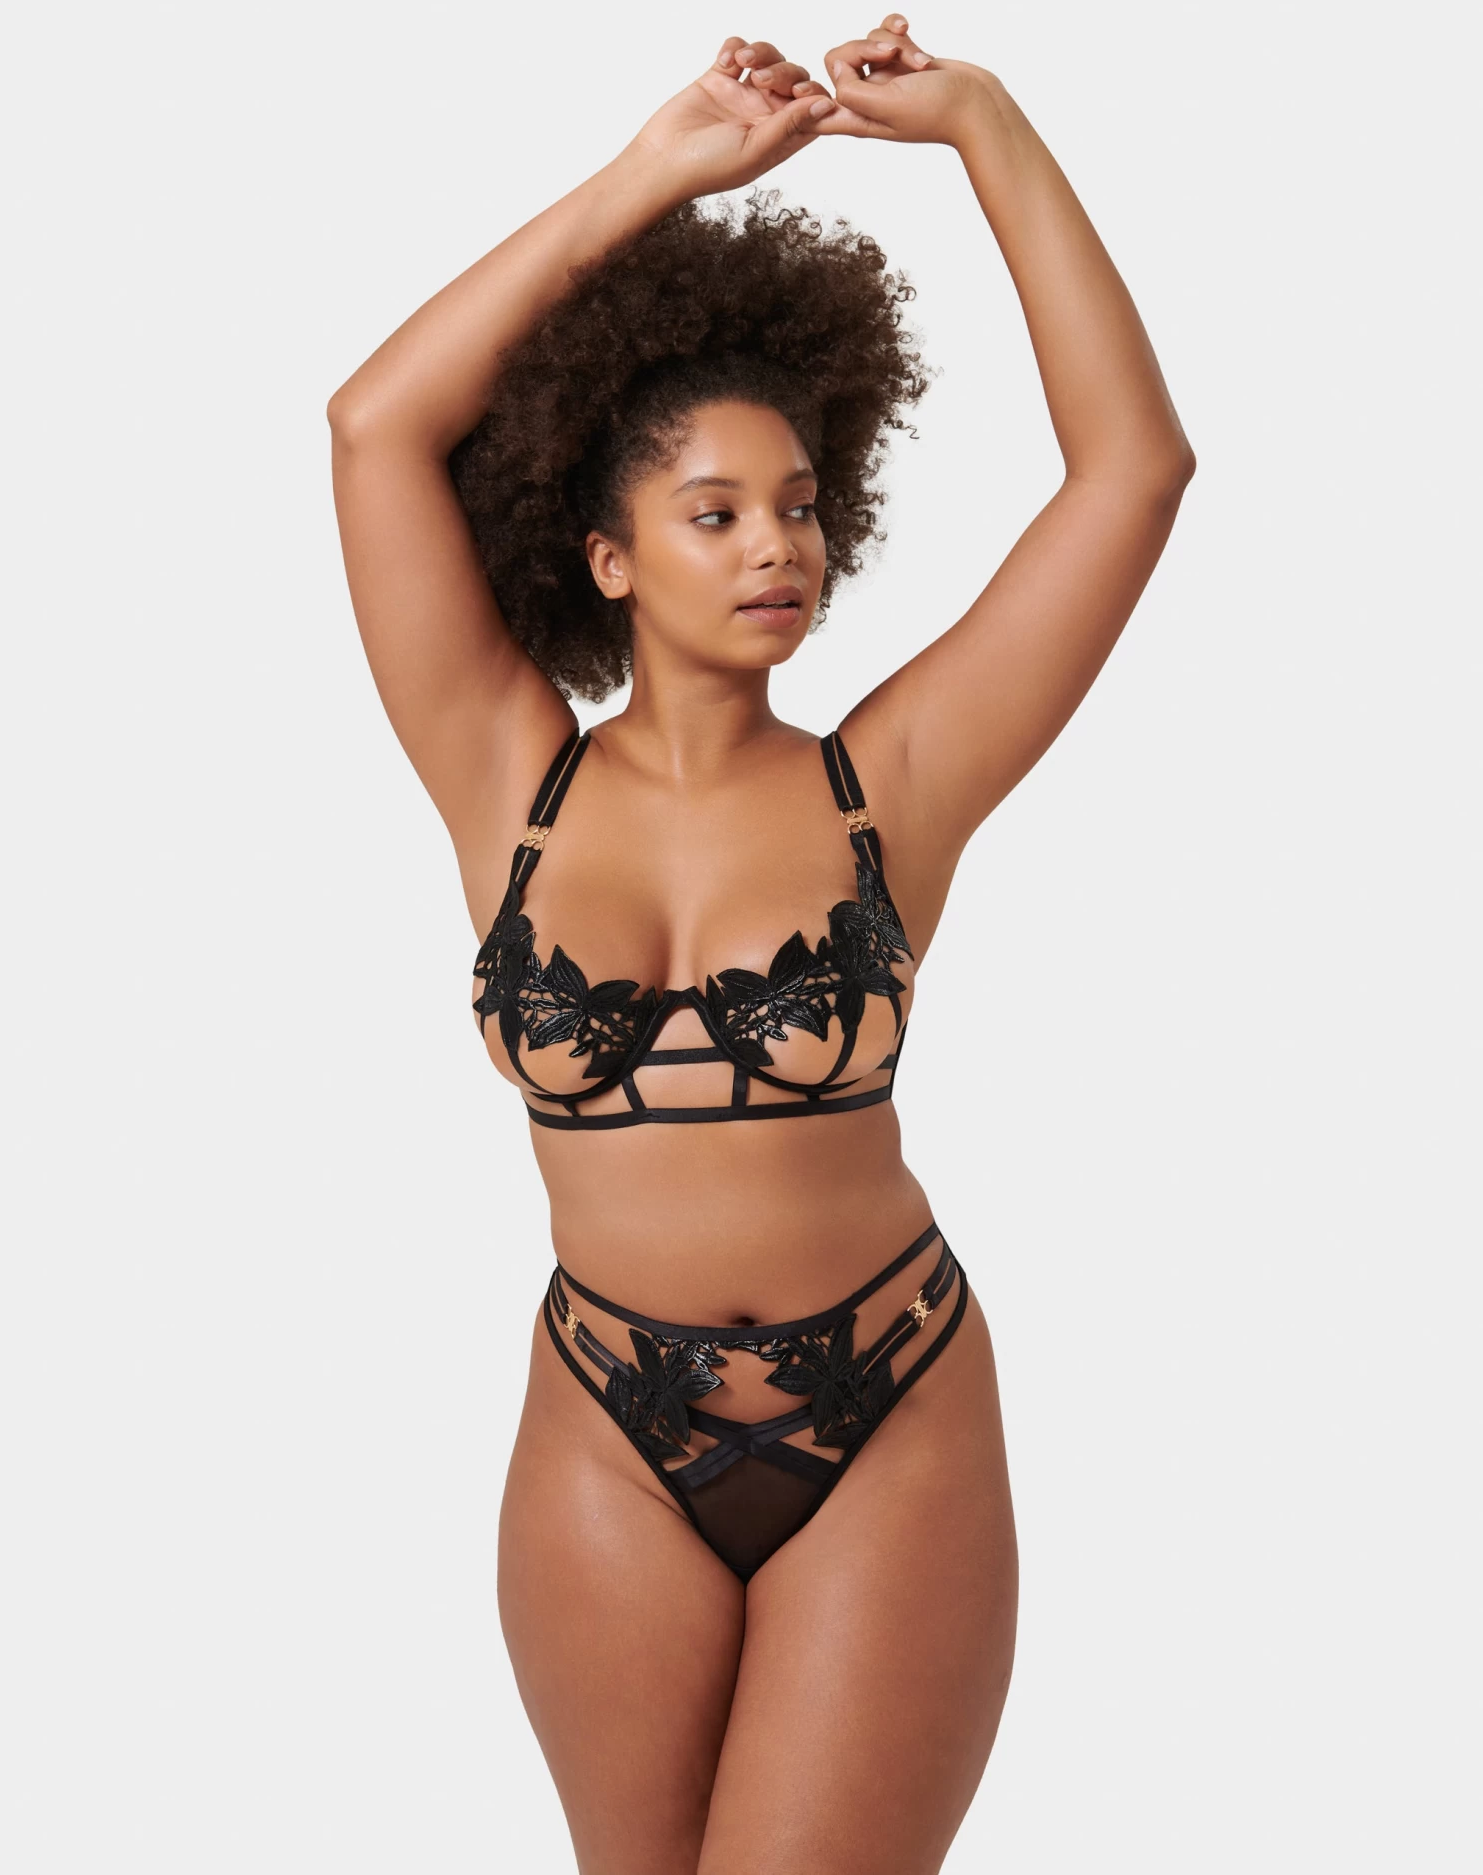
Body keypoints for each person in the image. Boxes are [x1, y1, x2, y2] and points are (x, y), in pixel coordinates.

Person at [328, 16, 1193, 1872]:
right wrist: (654, 176)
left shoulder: (893, 781)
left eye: (799, 505)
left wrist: (985, 126)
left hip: (888, 1413)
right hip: (603, 1425)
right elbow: (373, 424)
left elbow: (1133, 470)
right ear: (608, 555)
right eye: (713, 513)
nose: (774, 547)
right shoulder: (504, 774)